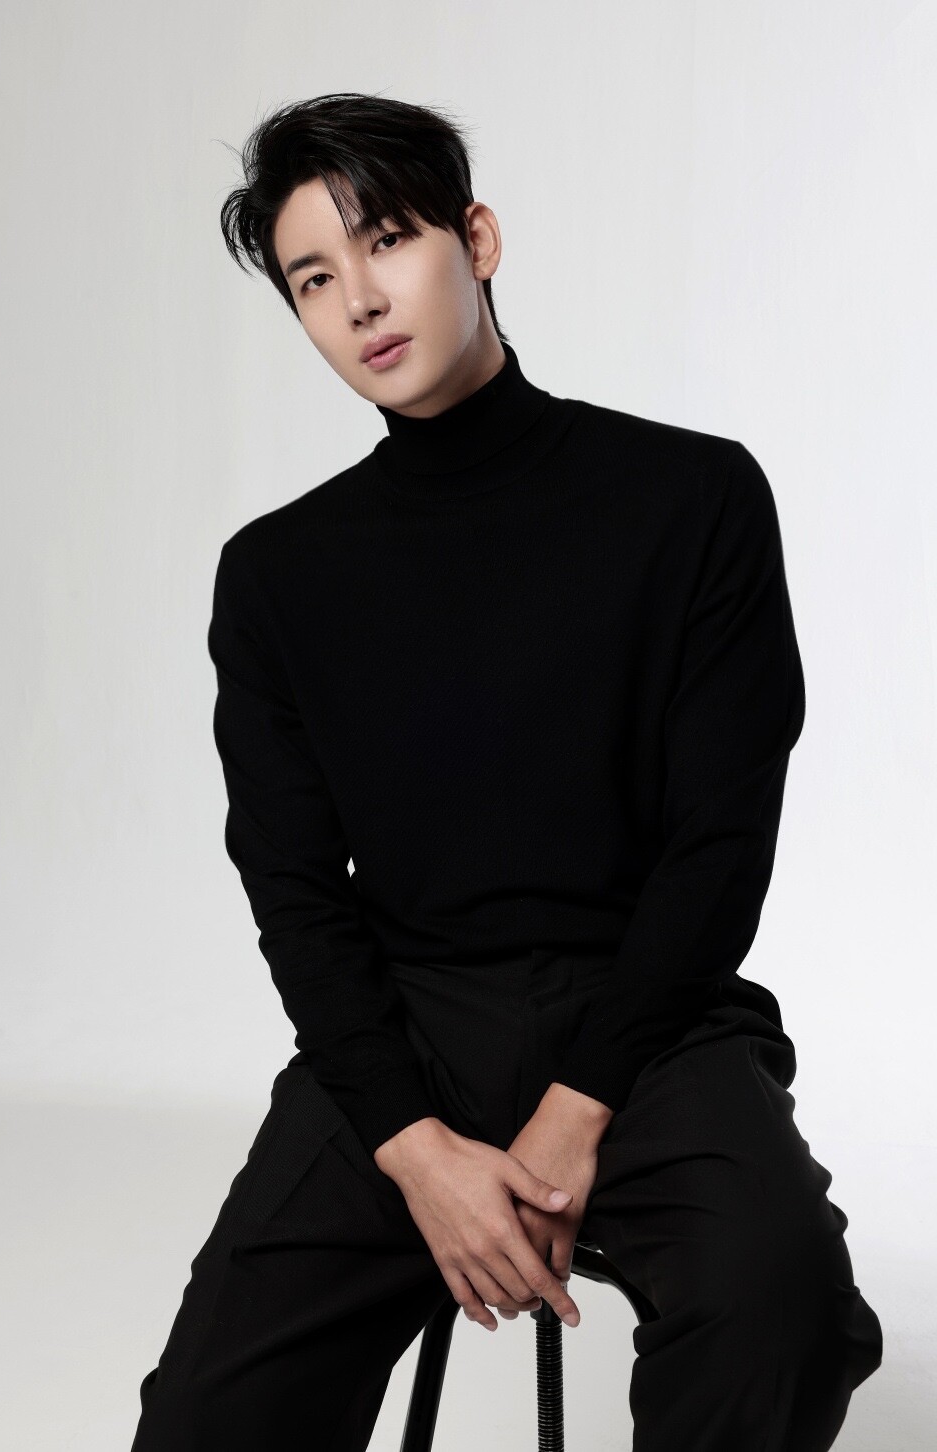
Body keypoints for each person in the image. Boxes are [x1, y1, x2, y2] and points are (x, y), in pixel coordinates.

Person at [130, 91, 883, 1450]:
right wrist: (412, 1146)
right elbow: (292, 886)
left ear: (476, 239)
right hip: (403, 1032)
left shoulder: (691, 499)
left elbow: (720, 842)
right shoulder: (280, 576)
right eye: (314, 279)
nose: (361, 300)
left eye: (388, 240)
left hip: (651, 1023)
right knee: (204, 1419)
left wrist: (577, 1110)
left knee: (782, 1308)